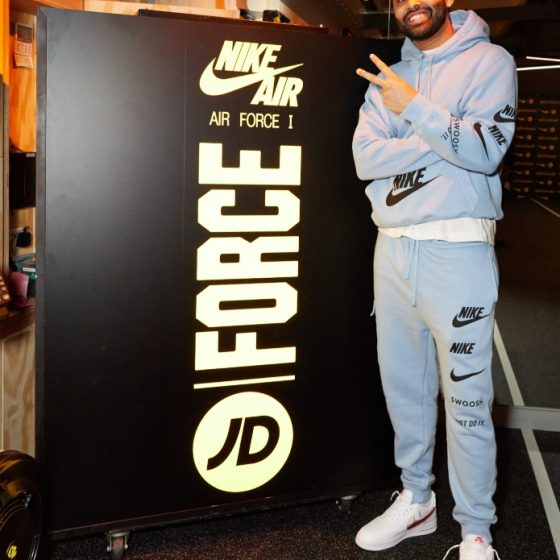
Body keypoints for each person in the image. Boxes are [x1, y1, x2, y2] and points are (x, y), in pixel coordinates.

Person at [352, 1, 516, 559]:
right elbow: (364, 158)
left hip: (458, 250)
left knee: (467, 400)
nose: (411, 3)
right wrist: (445, 135)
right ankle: (417, 499)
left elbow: (486, 151)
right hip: (393, 249)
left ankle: (476, 531)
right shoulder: (389, 76)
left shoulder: (490, 61)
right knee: (405, 391)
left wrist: (416, 110)